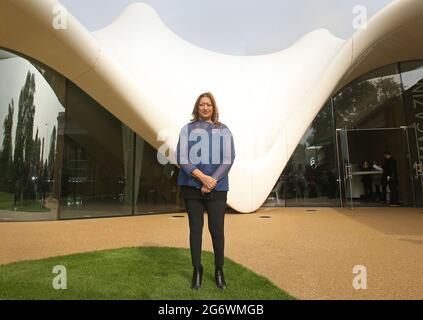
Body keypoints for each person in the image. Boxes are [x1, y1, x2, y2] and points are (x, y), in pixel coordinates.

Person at [175, 92, 235, 290]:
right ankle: (197, 269)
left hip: (217, 188)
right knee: (195, 230)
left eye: (209, 104)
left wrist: (211, 181)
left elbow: (228, 158)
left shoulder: (223, 130)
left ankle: (219, 270)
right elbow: (182, 157)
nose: (205, 107)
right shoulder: (187, 129)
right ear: (197, 107)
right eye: (202, 104)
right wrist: (201, 177)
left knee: (217, 231)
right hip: (192, 187)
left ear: (214, 108)